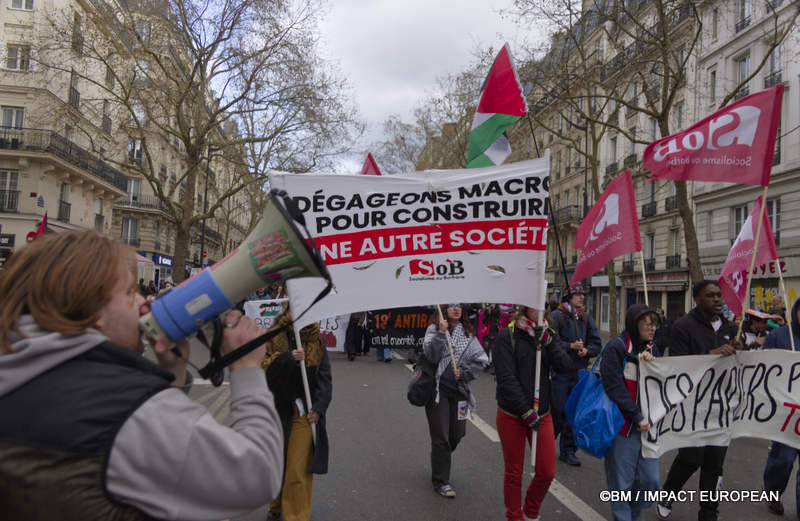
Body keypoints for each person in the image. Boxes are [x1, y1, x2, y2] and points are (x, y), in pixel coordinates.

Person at [0, 231, 284, 521]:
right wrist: (246, 368)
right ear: (92, 307)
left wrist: (171, 375)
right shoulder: (124, 409)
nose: (142, 302)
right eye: (128, 292)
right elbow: (258, 475)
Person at [656, 280, 741, 521]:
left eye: (719, 295)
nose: (717, 299)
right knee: (691, 458)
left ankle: (708, 513)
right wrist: (712, 355)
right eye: (710, 296)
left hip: (721, 406)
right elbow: (678, 365)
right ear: (697, 299)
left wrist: (740, 350)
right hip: (692, 406)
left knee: (715, 463)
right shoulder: (683, 327)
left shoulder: (731, 327)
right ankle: (667, 495)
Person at [494, 304, 573, 521]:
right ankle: (514, 516)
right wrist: (524, 411)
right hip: (512, 414)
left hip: (542, 413)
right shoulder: (506, 335)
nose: (538, 308)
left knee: (547, 471)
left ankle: (531, 511)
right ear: (524, 307)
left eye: (542, 304)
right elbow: (506, 379)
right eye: (533, 304)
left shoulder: (549, 334)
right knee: (514, 473)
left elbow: (566, 366)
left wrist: (549, 343)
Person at [262, 311, 332, 521]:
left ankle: (296, 516)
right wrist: (287, 358)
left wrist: (318, 408)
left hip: (304, 412)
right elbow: (262, 369)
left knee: (297, 469)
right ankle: (275, 507)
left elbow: (325, 378)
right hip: (277, 410)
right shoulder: (273, 335)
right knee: (278, 463)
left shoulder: (316, 339)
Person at [601, 304, 661, 521]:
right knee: (620, 484)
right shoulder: (616, 348)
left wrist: (653, 366)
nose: (653, 328)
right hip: (623, 428)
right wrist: (636, 415)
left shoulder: (654, 349)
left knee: (650, 481)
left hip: (648, 430)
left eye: (655, 324)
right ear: (634, 324)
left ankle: (633, 515)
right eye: (648, 324)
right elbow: (614, 387)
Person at [423, 303, 489, 498]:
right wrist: (441, 334)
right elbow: (431, 355)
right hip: (437, 392)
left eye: (459, 306)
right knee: (441, 436)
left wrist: (465, 373)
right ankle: (442, 481)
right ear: (443, 309)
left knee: (457, 435)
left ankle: (438, 457)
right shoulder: (434, 329)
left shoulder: (468, 333)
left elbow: (481, 360)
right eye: (451, 306)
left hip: (459, 392)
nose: (456, 309)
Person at [549, 283, 602, 466]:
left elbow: (597, 344)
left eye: (582, 294)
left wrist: (587, 350)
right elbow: (551, 342)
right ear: (568, 297)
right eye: (577, 294)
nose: (581, 297)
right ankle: (546, 446)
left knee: (573, 413)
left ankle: (568, 450)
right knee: (558, 411)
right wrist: (570, 346)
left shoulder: (586, 319)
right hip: (560, 373)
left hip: (579, 374)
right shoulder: (557, 316)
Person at [761, 297, 800, 519]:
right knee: (783, 460)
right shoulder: (779, 336)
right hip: (786, 413)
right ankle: (773, 493)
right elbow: (763, 369)